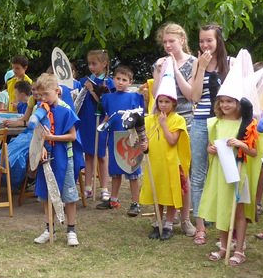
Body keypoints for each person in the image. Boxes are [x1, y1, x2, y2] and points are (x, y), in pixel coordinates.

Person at [198, 58, 258, 265]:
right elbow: (209, 146)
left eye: (230, 101)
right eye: (222, 101)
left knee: (237, 210)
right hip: (219, 172)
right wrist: (211, 149)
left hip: (237, 172)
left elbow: (253, 152)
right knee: (221, 208)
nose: (225, 105)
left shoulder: (246, 125)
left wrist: (241, 144)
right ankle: (224, 246)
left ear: (238, 104)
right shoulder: (215, 123)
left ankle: (239, 249)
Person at [151, 23, 197, 236]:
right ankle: (169, 215)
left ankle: (185, 218)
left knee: (182, 171)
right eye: (165, 42)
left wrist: (175, 69)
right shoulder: (159, 63)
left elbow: (189, 94)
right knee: (164, 169)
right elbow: (156, 93)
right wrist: (160, 72)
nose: (168, 45)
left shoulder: (193, 63)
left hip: (184, 119)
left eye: (172, 41)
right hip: (163, 119)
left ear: (182, 40)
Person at [187, 23, 230, 245]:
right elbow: (194, 97)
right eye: (201, 41)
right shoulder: (197, 63)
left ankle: (224, 222)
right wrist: (202, 68)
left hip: (225, 123)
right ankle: (200, 225)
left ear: (218, 41)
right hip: (201, 122)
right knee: (198, 174)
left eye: (209, 40)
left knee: (225, 171)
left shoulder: (230, 63)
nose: (205, 45)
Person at [31, 73, 82, 246]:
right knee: (46, 194)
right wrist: (42, 146)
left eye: (47, 94)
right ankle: (49, 229)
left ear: (57, 91)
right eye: (40, 95)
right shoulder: (39, 109)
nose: (43, 98)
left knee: (68, 194)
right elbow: (37, 133)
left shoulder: (65, 109)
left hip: (64, 158)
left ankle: (71, 230)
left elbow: (72, 136)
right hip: (46, 158)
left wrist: (52, 137)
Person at [139, 74, 189, 240]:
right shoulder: (150, 120)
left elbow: (172, 141)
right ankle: (158, 222)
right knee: (157, 192)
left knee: (170, 193)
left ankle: (168, 224)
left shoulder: (178, 120)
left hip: (171, 163)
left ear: (173, 103)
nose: (163, 105)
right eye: (160, 101)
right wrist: (144, 146)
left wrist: (164, 124)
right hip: (156, 163)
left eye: (167, 102)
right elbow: (146, 140)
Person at [98, 65, 145, 215]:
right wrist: (102, 126)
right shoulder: (108, 98)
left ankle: (135, 202)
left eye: (124, 80)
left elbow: (139, 117)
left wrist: (141, 137)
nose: (120, 82)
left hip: (130, 137)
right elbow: (109, 115)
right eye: (118, 78)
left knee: (132, 170)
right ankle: (113, 199)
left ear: (130, 82)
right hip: (114, 137)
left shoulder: (134, 97)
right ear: (113, 79)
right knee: (115, 170)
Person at [80, 50, 114, 203]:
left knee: (101, 154)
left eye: (94, 63)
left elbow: (105, 102)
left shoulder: (109, 82)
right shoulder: (85, 80)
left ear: (104, 64)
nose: (91, 67)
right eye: (89, 64)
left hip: (101, 121)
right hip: (87, 120)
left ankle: (104, 188)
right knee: (88, 154)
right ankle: (88, 186)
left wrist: (92, 90)